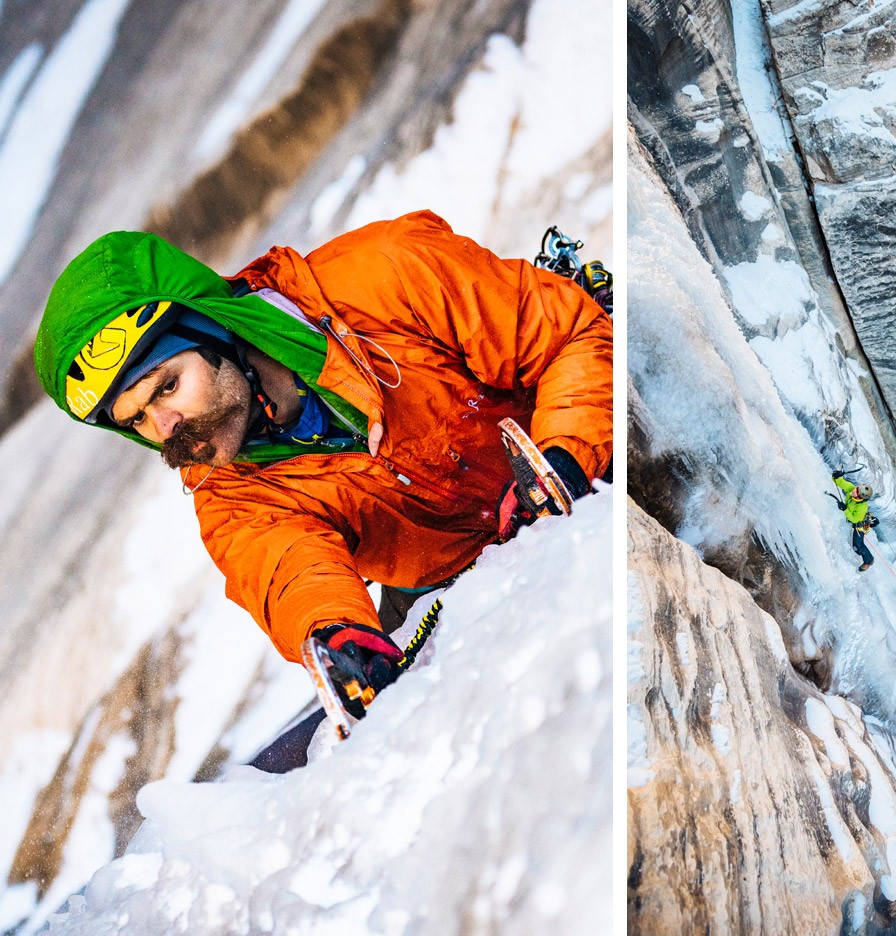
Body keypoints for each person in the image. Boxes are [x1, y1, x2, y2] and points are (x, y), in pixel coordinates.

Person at [34, 210, 613, 702]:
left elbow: (572, 336)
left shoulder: (383, 274)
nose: (165, 428)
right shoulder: (230, 496)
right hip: (447, 574)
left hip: (580, 445)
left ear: (214, 331)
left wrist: (563, 455)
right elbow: (290, 571)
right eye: (135, 419)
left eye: (166, 386)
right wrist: (337, 636)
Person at [832, 470, 880, 572]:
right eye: (856, 489)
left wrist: (845, 509)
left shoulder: (862, 507)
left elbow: (854, 519)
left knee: (857, 546)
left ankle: (868, 560)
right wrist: (836, 477)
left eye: (856, 492)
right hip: (855, 518)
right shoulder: (852, 489)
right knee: (857, 545)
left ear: (859, 497)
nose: (853, 491)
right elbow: (840, 483)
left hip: (860, 525)